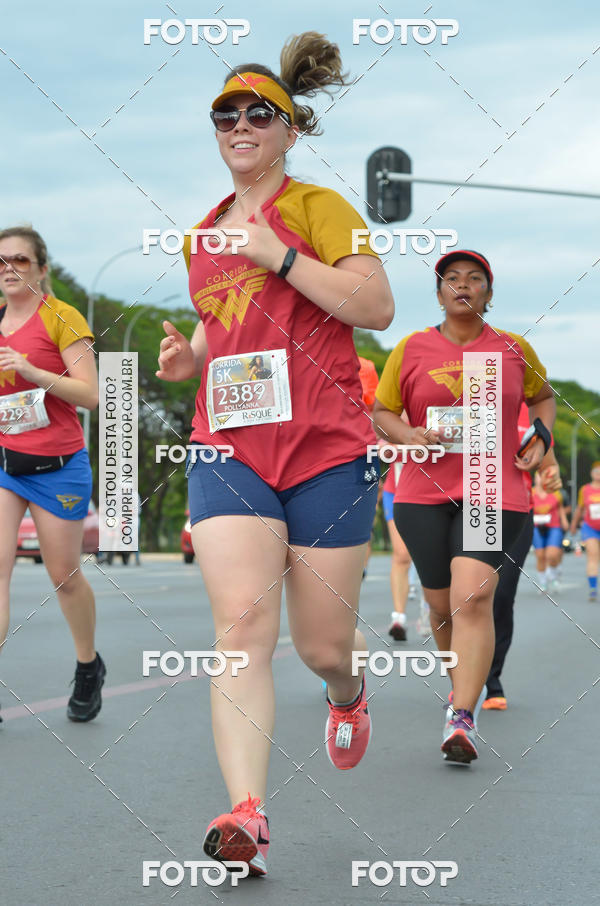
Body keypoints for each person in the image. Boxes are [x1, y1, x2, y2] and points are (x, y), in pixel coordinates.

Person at [156, 32, 394, 877]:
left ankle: (347, 696)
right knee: (243, 630)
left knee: (323, 647)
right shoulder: (201, 235)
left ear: (289, 131)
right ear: (216, 131)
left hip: (328, 452)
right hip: (230, 449)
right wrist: (190, 356)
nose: (241, 124)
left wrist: (283, 256)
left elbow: (376, 304)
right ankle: (247, 815)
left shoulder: (316, 207)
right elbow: (226, 327)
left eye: (261, 113)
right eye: (227, 114)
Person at [373, 249, 555, 764]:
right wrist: (408, 433)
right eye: (451, 278)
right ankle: (461, 689)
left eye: (475, 279)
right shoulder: (410, 349)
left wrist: (541, 437)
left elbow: (544, 399)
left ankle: (462, 716)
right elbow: (382, 411)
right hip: (422, 495)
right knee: (438, 606)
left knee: (472, 598)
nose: (463, 285)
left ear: (488, 295)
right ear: (438, 293)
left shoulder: (513, 349)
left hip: (491, 490)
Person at [0, 226, 105, 725]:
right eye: (0, 261)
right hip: (6, 465)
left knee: (64, 577)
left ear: (42, 268)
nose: (9, 269)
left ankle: (88, 665)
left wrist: (31, 369)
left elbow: (91, 395)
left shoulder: (62, 317)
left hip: (58, 467)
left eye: (19, 259)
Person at [483, 400, 562, 711]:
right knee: (469, 597)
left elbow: (549, 464)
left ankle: (492, 679)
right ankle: (463, 678)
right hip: (474, 513)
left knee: (501, 596)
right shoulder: (464, 401)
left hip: (517, 513)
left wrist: (552, 474)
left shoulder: (530, 413)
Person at [532, 471, 569, 593]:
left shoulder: (556, 493)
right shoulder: (530, 493)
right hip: (536, 526)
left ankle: (553, 575)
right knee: (540, 555)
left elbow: (560, 508)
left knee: (552, 555)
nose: (541, 479)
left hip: (554, 526)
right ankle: (543, 583)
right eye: (539, 476)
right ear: (535, 478)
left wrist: (564, 521)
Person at [570, 461, 600, 600]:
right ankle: (593, 588)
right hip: (590, 528)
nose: (598, 474)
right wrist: (573, 525)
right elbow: (580, 508)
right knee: (593, 556)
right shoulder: (585, 489)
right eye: (596, 471)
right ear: (591, 473)